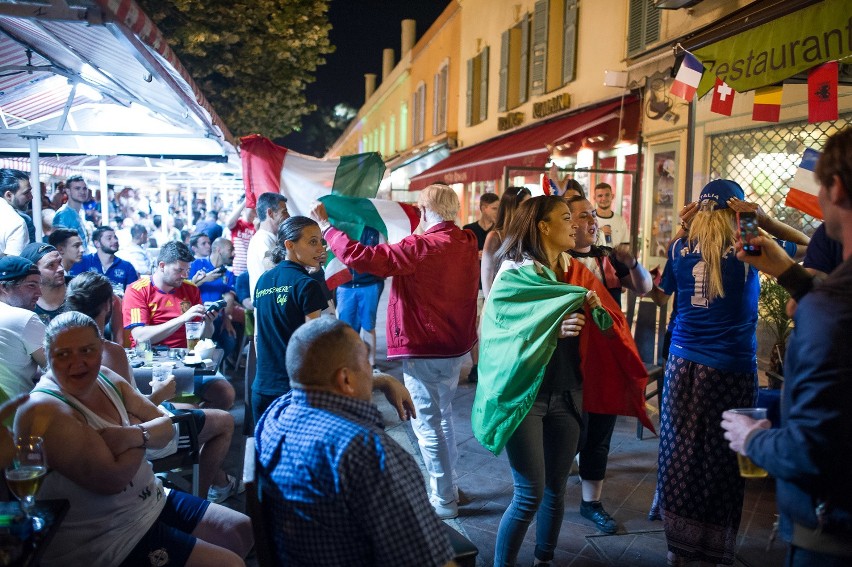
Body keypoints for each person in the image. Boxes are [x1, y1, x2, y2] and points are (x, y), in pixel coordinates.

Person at [472, 195, 648, 566]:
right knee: (529, 493)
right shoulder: (514, 274)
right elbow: (499, 332)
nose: (575, 225)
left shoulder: (574, 271)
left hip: (569, 394)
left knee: (555, 491)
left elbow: (608, 319)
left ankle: (545, 560)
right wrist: (554, 325)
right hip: (526, 398)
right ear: (543, 227)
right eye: (566, 217)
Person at [649, 179, 806, 566]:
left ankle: (677, 548)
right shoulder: (747, 244)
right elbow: (806, 245)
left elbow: (660, 293)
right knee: (724, 459)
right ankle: (715, 550)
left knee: (679, 453)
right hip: (729, 369)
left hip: (682, 365)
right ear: (737, 210)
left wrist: (684, 229)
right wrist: (761, 219)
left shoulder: (681, 246)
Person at [14, 312, 252, 566]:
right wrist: (145, 431)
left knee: (241, 530)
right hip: (106, 536)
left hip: (151, 498)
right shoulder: (46, 409)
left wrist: (131, 434)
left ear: (101, 348)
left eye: (87, 350)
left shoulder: (105, 377)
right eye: (63, 354)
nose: (77, 363)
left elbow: (168, 429)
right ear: (48, 356)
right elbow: (114, 479)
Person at [721, 128, 852, 566]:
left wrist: (754, 438)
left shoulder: (829, 311)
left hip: (832, 536)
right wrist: (787, 270)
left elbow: (810, 453)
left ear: (835, 188)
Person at [312, 183, 480, 520]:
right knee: (443, 416)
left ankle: (444, 499)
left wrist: (329, 228)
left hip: (423, 344)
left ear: (426, 211)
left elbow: (366, 258)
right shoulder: (466, 241)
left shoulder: (421, 246)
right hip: (454, 345)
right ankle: (449, 487)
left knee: (427, 423)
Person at [255, 317, 452, 566]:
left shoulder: (273, 416)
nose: (371, 370)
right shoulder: (367, 453)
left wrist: (381, 379)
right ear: (346, 380)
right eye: (367, 363)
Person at [66, 271, 241, 504]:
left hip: (86, 439)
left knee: (193, 404)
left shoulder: (60, 348)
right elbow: (129, 415)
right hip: (133, 438)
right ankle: (202, 499)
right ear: (108, 305)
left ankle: (215, 481)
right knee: (224, 421)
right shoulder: (109, 352)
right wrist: (162, 391)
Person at [567, 195, 653, 534]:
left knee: (600, 431)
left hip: (607, 357)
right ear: (565, 222)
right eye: (583, 214)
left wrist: (632, 264)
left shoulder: (608, 258)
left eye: (593, 214)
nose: (592, 219)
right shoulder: (551, 260)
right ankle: (548, 495)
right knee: (570, 430)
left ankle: (592, 503)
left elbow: (645, 288)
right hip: (568, 358)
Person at [122, 241, 235, 410]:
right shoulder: (137, 290)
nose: (184, 275)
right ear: (162, 266)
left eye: (187, 270)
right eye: (179, 270)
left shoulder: (190, 289)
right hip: (152, 364)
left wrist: (208, 322)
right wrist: (182, 318)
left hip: (187, 361)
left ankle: (194, 423)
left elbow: (203, 336)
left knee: (226, 394)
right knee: (188, 408)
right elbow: (140, 336)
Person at [252, 216, 328, 423]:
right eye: (312, 241)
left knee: (265, 453)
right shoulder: (306, 285)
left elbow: (258, 336)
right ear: (289, 244)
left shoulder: (263, 280)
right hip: (295, 392)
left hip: (262, 388)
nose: (320, 248)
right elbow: (313, 344)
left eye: (321, 241)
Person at [334, 226, 385, 368]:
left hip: (369, 284)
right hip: (345, 286)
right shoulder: (338, 229)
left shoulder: (374, 232)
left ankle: (370, 364)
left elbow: (383, 257)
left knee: (368, 325)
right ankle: (349, 362)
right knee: (346, 327)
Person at [462, 192, 499, 383]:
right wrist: (473, 255)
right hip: (474, 285)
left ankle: (488, 363)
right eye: (494, 208)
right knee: (474, 326)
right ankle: (476, 365)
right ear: (483, 208)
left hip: (494, 286)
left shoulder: (500, 231)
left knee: (489, 326)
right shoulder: (469, 230)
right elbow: (460, 256)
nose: (497, 212)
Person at [0, 256, 46, 398]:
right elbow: (58, 366)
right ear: (3, 287)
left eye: (39, 285)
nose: (39, 293)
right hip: (15, 414)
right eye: (31, 285)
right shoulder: (24, 319)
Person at [481, 186, 532, 298]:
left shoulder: (530, 235)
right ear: (512, 207)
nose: (530, 209)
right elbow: (486, 276)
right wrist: (491, 304)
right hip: (499, 299)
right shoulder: (495, 236)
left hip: (522, 299)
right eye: (526, 204)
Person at [70, 225, 139, 293]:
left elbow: (132, 295)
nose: (115, 241)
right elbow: (74, 290)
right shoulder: (83, 262)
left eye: (115, 237)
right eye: (109, 238)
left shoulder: (127, 267)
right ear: (97, 243)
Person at [247, 192, 289, 298]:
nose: (288, 216)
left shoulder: (269, 238)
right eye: (284, 212)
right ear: (270, 213)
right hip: (269, 307)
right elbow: (275, 270)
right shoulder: (263, 240)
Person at [20, 243, 66, 324]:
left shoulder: (79, 288)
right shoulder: (25, 305)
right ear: (34, 272)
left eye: (59, 262)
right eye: (51, 265)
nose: (60, 269)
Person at [52, 175, 89, 250]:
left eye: (84, 188)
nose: (82, 191)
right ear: (68, 191)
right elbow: (59, 247)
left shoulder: (80, 212)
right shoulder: (62, 215)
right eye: (77, 188)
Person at [1, 168, 35, 243]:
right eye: (26, 193)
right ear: (9, 195)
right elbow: (24, 254)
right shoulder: (21, 222)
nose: (31, 197)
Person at [225, 199, 256, 276]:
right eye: (252, 209)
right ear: (245, 208)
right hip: (236, 270)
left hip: (252, 270)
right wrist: (245, 201)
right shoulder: (238, 224)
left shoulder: (257, 226)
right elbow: (228, 222)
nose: (254, 213)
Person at [593, 182, 629, 247]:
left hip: (615, 257)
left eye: (607, 195)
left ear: (612, 196)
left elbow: (625, 246)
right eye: (600, 196)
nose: (604, 198)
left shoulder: (620, 220)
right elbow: (582, 244)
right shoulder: (589, 219)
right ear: (594, 198)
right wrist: (599, 233)